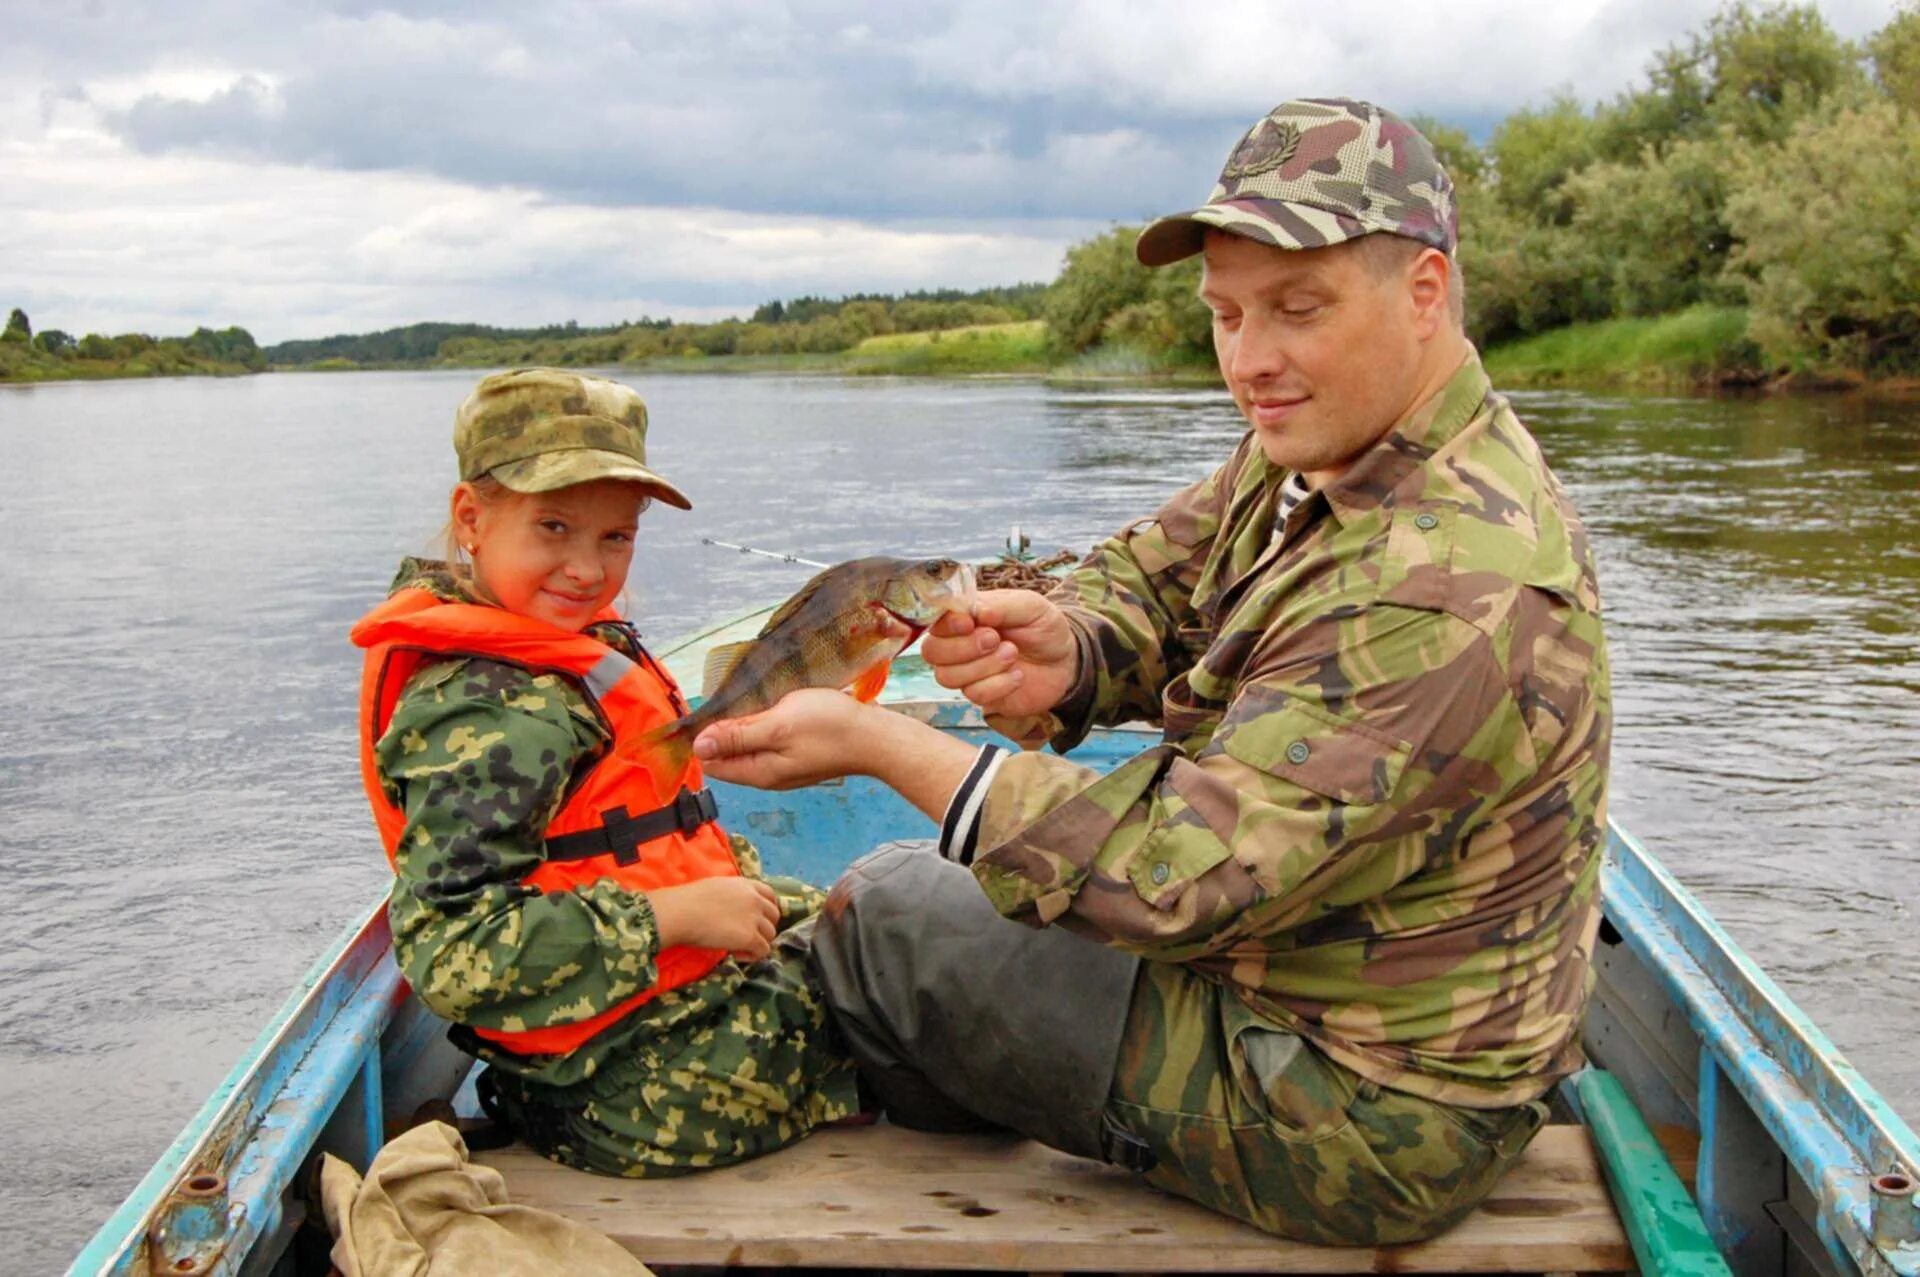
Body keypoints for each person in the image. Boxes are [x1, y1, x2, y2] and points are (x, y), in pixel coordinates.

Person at [692, 98, 1611, 1245]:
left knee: (886, 913)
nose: (1249, 360)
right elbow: (1158, 574)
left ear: (1424, 292)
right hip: (1294, 977)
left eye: (1296, 308)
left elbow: (1169, 874)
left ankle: (889, 1116)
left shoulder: (1451, 578)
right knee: (925, 906)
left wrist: (893, 748)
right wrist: (1066, 651)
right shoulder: (1327, 437)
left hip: (1360, 1107)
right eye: (1224, 314)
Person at [350, 368, 858, 1178]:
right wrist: (676, 916)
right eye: (553, 526)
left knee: (868, 918)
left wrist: (733, 897)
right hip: (616, 1076)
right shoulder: (480, 715)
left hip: (651, 1002)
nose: (586, 568)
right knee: (889, 1003)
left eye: (615, 537)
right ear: (471, 518)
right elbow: (453, 951)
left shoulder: (567, 650)